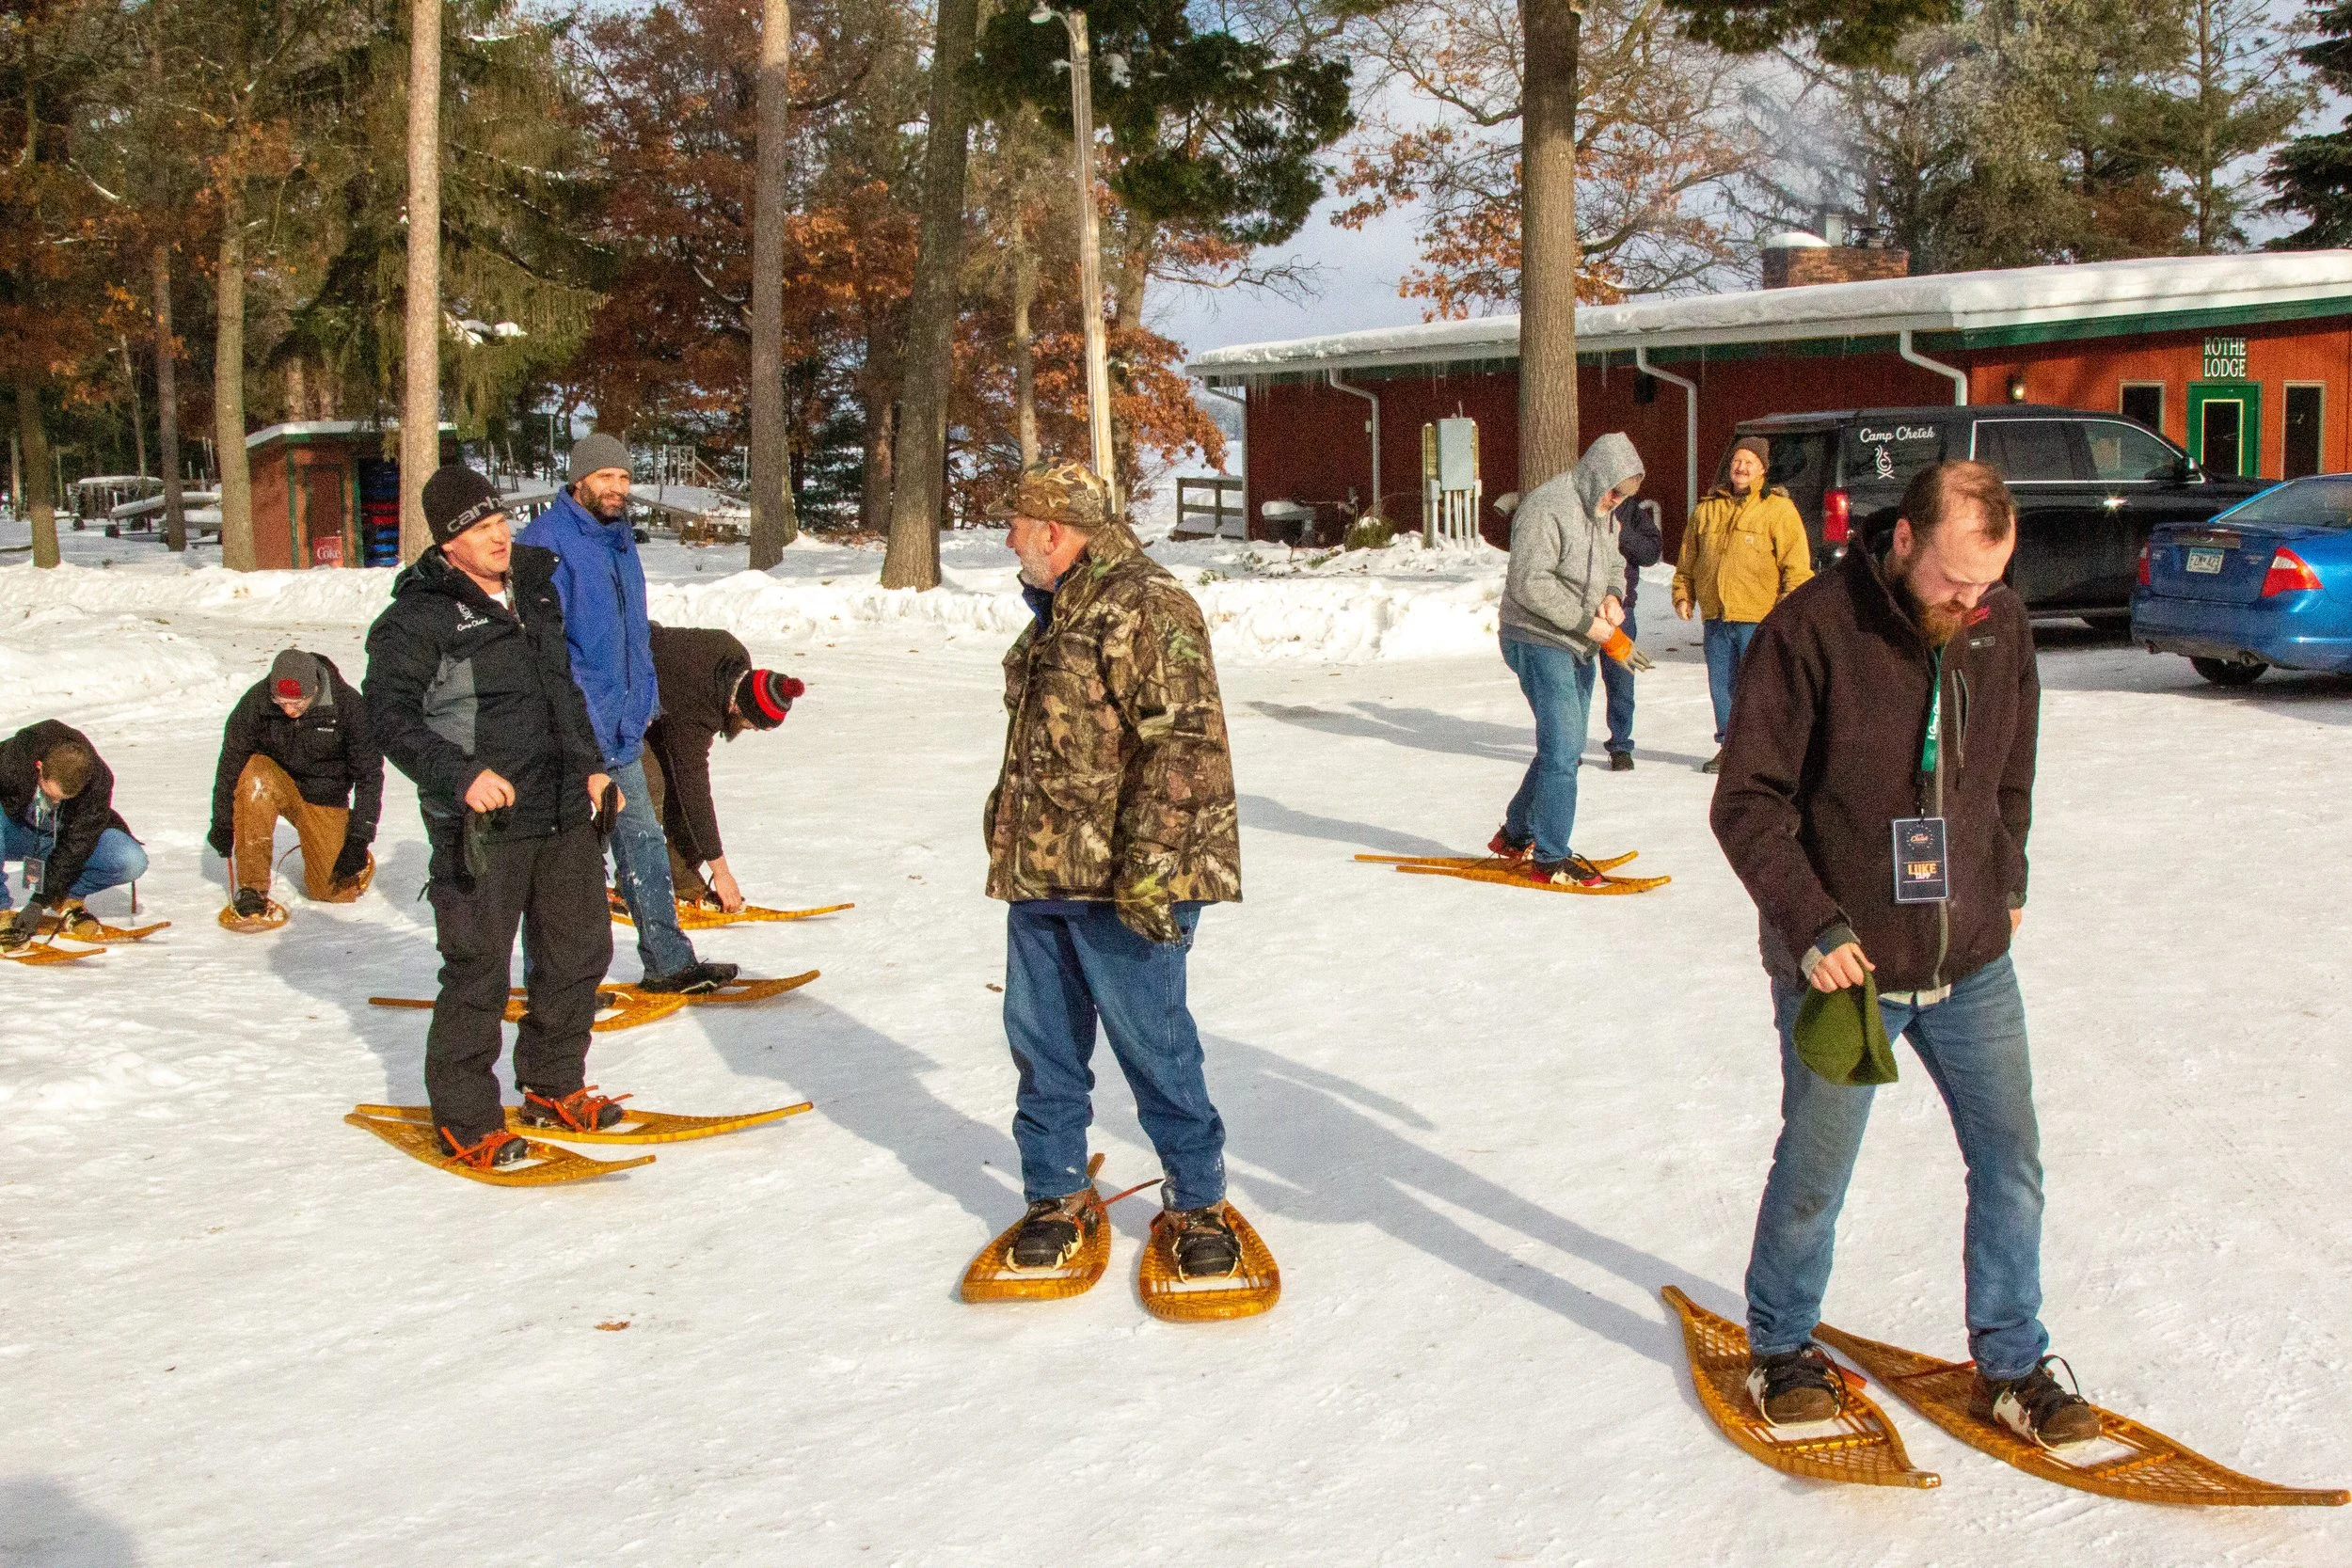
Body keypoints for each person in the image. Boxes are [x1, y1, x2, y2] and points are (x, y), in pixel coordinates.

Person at [1710, 459, 2098, 1447]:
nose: (1972, 604)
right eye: (1953, 582)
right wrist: (1811, 924)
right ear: (1901, 539)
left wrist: (2004, 878)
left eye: (1987, 585)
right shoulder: (1811, 630)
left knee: (2010, 1159)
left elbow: (2013, 770)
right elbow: (1747, 800)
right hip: (1847, 965)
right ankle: (1781, 1347)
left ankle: (2012, 1360)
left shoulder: (1997, 626)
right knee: (1816, 1166)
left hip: (1968, 960)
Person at [982, 462, 1250, 1283]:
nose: (1009, 539)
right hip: (1045, 870)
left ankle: (1198, 1196)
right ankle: (1055, 1191)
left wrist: (1151, 869)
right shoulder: (1061, 608)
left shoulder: (1145, 603)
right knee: (1042, 1043)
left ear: (1055, 531)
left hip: (1128, 877)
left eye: (1018, 525)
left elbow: (1184, 744)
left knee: (1154, 1043)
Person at [364, 464, 627, 1170]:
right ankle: (466, 1117)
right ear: (448, 543)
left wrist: (594, 765)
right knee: (478, 970)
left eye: (500, 521)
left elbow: (561, 688)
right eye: (480, 529)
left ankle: (552, 1084)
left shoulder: (532, 587)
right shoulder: (417, 618)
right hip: (482, 824)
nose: (499, 536)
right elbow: (387, 716)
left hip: (563, 803)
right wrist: (461, 776)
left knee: (580, 953)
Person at [517, 434, 734, 993]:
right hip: (570, 736)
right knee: (562, 864)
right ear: (578, 479)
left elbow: (631, 634)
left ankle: (668, 961)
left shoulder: (618, 541)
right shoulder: (546, 542)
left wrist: (642, 705)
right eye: (605, 477)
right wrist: (574, 722)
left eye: (623, 477)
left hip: (621, 728)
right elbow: (544, 649)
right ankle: (550, 983)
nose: (617, 488)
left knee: (642, 845)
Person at [1491, 433, 1654, 886]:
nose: (1614, 502)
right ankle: (1550, 857)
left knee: (1566, 746)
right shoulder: (1547, 506)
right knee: (1564, 749)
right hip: (1535, 636)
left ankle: (1517, 833)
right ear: (1596, 474)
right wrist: (1589, 623)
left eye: (1623, 497)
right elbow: (1529, 583)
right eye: (1613, 491)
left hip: (1578, 638)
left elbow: (1613, 564)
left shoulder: (1605, 514)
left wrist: (1613, 597)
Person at [207, 648, 383, 922]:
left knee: (331, 891)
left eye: (298, 703)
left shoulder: (348, 706)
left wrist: (360, 838)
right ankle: (252, 887)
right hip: (276, 783)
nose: (288, 710)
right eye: (281, 701)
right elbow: (230, 764)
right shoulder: (256, 702)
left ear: (314, 688)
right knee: (254, 774)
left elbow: (369, 776)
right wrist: (222, 821)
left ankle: (339, 843)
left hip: (325, 796)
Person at [1674, 436, 1813, 773]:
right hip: (1717, 617)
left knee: (1761, 687)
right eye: (1737, 461)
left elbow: (1797, 567)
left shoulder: (1778, 510)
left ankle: (1764, 752)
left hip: (1759, 618)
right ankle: (1729, 748)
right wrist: (1683, 592)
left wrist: (1785, 610)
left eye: (1749, 462)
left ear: (1762, 469)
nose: (1741, 467)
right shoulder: (1707, 508)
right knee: (1721, 687)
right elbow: (1688, 559)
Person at [642, 623, 804, 912]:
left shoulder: (734, 656)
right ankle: (638, 882)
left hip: (661, 702)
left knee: (680, 793)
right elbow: (695, 789)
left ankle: (680, 878)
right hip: (620, 693)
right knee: (652, 790)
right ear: (739, 709)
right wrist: (721, 870)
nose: (752, 731)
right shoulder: (696, 703)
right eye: (753, 725)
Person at [0, 721, 147, 947]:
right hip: (12, 834)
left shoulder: (97, 781)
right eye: (51, 794)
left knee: (130, 860)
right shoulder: (11, 760)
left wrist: (40, 900)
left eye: (64, 799)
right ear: (38, 768)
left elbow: (77, 844)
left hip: (60, 840)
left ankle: (67, 898)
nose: (56, 802)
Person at [1601, 496, 1664, 771]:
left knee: (1621, 681)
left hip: (1621, 610)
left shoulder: (1631, 510)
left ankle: (1620, 745)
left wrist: (1621, 534)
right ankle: (1570, 745)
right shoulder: (1578, 504)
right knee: (1575, 680)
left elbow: (1651, 553)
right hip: (1579, 609)